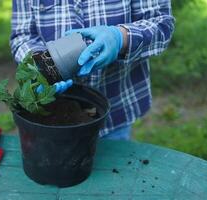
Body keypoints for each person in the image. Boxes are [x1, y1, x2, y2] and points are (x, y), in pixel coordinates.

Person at [10, 0, 175, 140]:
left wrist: (119, 37)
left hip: (115, 110)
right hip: (50, 117)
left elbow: (162, 24)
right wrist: (38, 66)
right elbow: (22, 35)